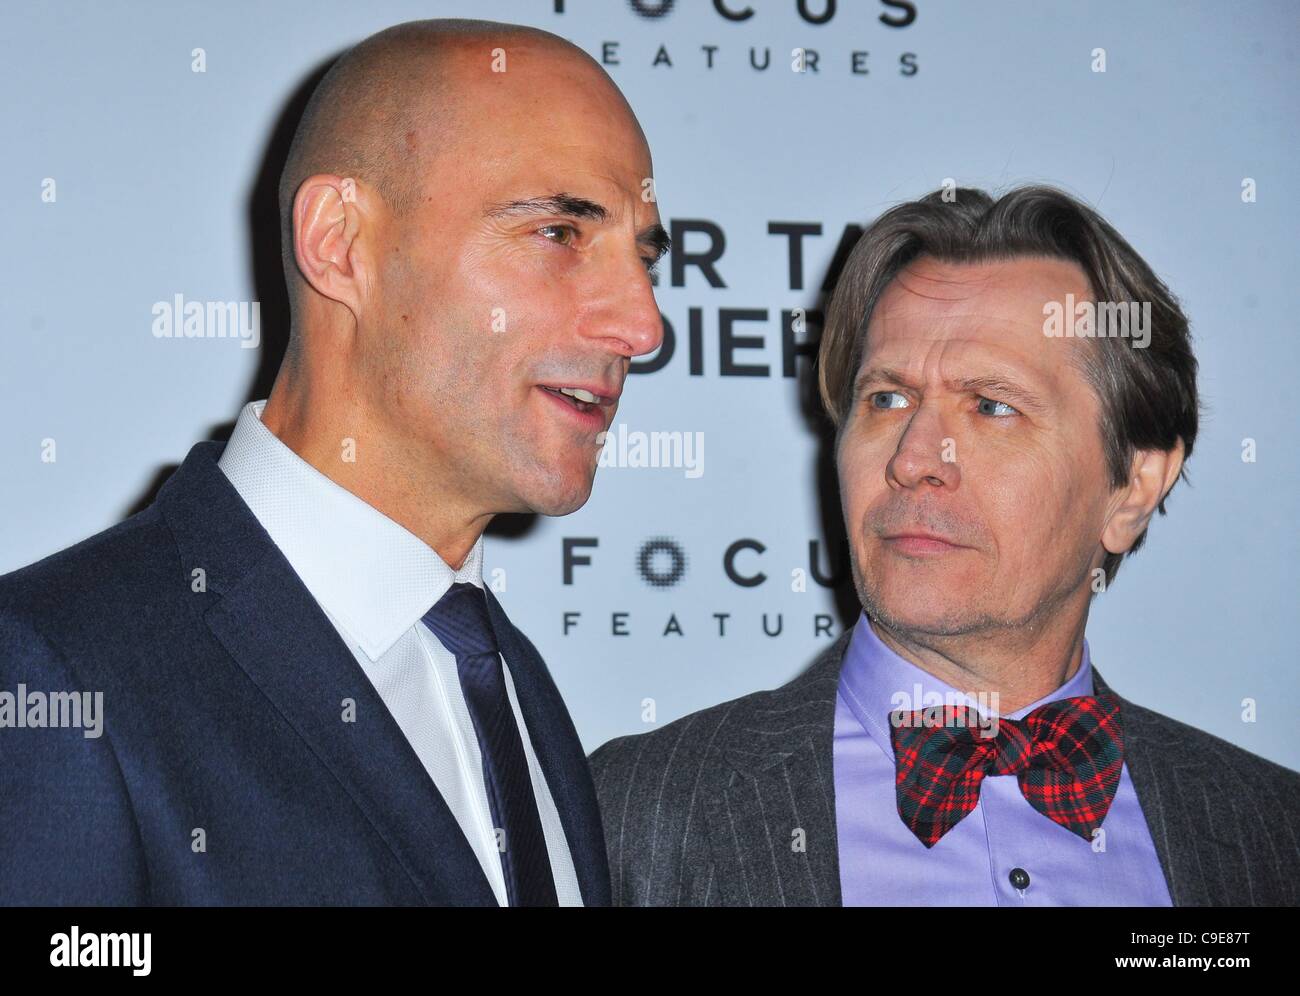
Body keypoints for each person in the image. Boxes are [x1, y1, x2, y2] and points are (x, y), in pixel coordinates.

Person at [0, 18, 668, 906]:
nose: (643, 325)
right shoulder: (56, 671)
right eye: (558, 233)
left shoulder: (510, 681)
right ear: (340, 243)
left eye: (646, 256)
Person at [590, 185, 1300, 906]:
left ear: (1134, 488)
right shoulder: (629, 815)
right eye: (886, 399)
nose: (914, 458)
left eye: (992, 407)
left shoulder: (1274, 836)